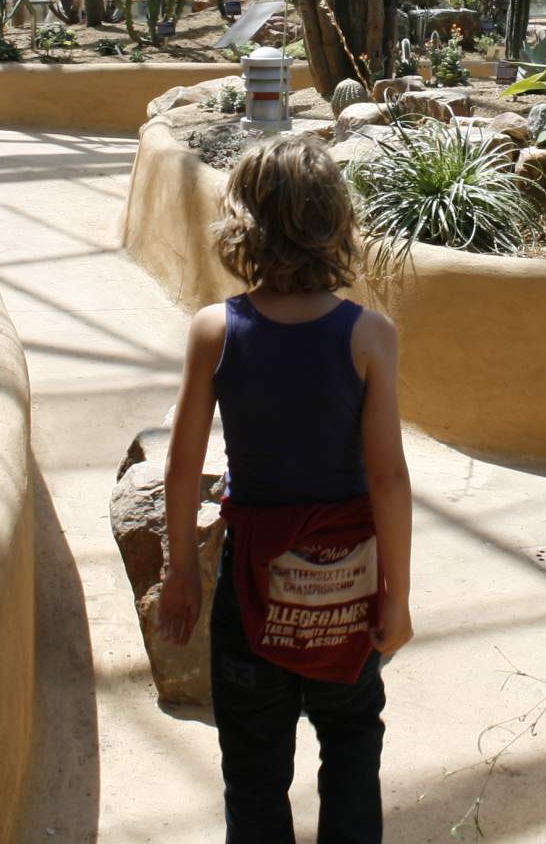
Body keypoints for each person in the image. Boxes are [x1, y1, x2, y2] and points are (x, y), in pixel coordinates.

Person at [159, 135, 414, 844]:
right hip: (350, 585)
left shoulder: (216, 330)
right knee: (352, 747)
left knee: (253, 767)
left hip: (252, 584)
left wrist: (179, 571)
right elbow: (388, 477)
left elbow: (184, 466)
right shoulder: (370, 336)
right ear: (337, 222)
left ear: (240, 222)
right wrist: (396, 593)